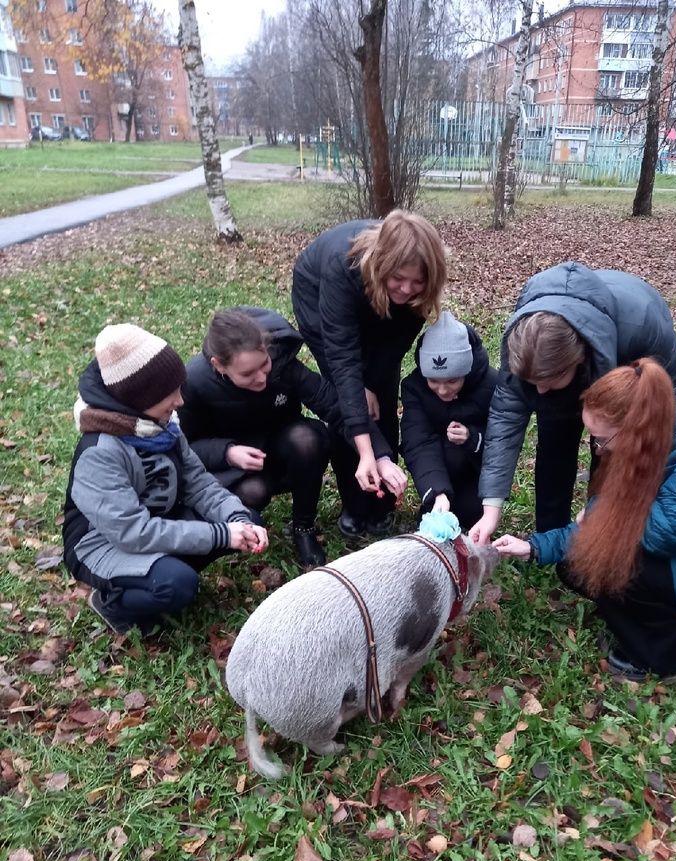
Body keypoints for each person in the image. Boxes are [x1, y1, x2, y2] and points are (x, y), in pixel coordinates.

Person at [493, 359, 676, 681]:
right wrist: (533, 547)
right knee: (577, 566)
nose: (598, 450)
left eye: (603, 440)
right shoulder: (651, 444)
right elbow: (601, 528)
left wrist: (597, 514)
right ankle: (671, 617)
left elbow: (660, 536)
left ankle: (671, 655)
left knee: (612, 567)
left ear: (637, 431)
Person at [62, 323, 268, 635]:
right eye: (168, 394)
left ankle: (167, 566)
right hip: (102, 542)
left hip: (157, 519)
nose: (179, 401)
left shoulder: (159, 422)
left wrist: (236, 520)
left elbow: (198, 482)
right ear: (138, 400)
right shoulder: (100, 451)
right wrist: (221, 534)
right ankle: (112, 603)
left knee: (246, 518)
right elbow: (132, 532)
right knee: (177, 585)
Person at [470, 261, 676, 544]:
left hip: (626, 355)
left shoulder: (642, 331)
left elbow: (667, 403)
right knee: (554, 445)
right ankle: (550, 538)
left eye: (548, 381)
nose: (540, 391)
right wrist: (491, 509)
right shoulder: (526, 342)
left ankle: (601, 531)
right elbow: (505, 420)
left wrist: (604, 501)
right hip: (575, 357)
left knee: (611, 449)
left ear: (579, 359)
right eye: (532, 382)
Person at [178, 308, 400, 568]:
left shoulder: (283, 362)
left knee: (307, 437)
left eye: (264, 365)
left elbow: (335, 406)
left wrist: (379, 456)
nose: (262, 377)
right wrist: (227, 451)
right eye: (248, 374)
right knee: (254, 492)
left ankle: (303, 527)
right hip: (236, 467)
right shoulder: (194, 382)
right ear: (218, 365)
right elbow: (183, 448)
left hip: (284, 449)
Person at [292, 210, 446, 538]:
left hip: (379, 308)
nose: (406, 289)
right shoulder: (342, 266)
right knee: (344, 396)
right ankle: (355, 500)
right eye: (399, 279)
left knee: (383, 396)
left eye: (417, 282)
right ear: (383, 264)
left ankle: (382, 502)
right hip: (319, 297)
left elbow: (394, 345)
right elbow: (343, 360)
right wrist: (365, 449)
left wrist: (372, 384)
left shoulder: (418, 291)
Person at [400, 310, 497, 530]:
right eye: (433, 381)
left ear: (467, 370)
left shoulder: (492, 385)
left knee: (472, 514)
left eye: (452, 381)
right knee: (439, 511)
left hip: (475, 469)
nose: (442, 390)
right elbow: (417, 441)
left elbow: (504, 441)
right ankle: (437, 498)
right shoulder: (414, 387)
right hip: (436, 465)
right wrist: (436, 491)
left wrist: (473, 438)